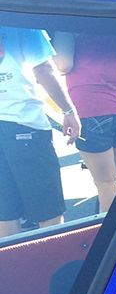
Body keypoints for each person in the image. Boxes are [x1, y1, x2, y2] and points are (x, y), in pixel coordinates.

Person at [0, 26, 80, 238]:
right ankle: (52, 266)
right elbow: (43, 70)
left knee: (5, 210)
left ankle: (14, 266)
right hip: (24, 121)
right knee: (48, 208)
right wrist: (68, 110)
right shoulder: (23, 22)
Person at [51, 33, 116, 213]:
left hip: (91, 107)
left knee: (106, 183)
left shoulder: (69, 20)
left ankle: (112, 237)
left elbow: (64, 64)